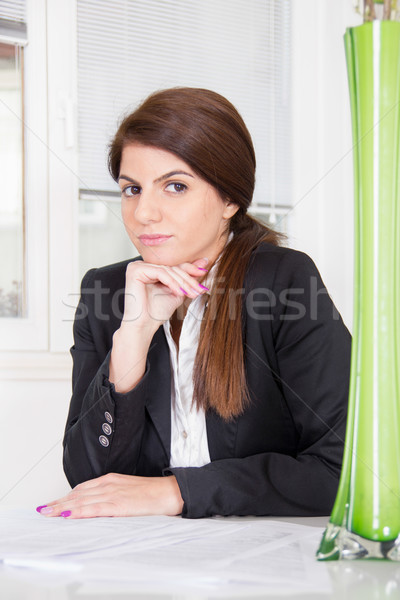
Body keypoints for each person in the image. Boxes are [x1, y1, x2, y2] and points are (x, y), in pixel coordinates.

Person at [37, 87, 351, 520]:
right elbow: (90, 478)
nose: (144, 213)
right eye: (132, 189)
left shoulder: (285, 282)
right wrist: (133, 338)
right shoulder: (106, 291)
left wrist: (177, 492)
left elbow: (344, 469)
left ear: (229, 200)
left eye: (175, 186)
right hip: (147, 560)